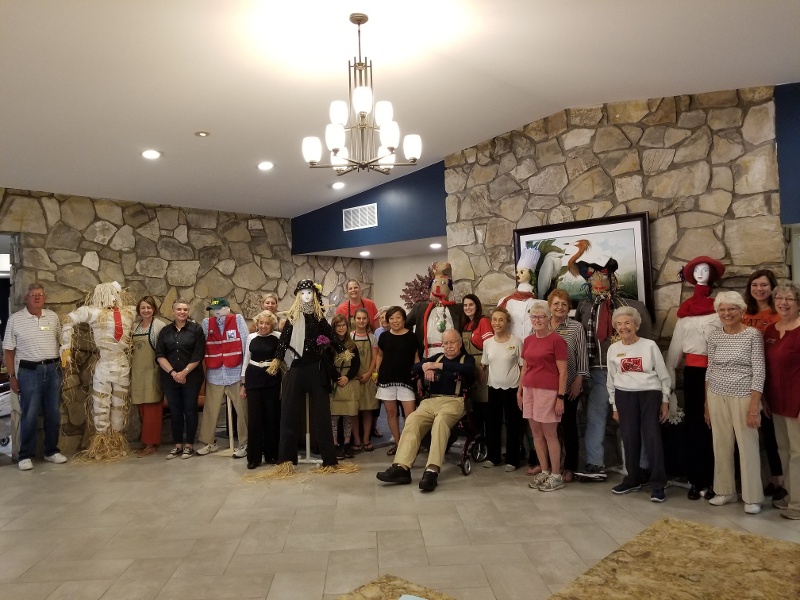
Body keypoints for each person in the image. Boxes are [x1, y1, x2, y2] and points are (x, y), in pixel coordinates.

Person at [574, 257, 653, 482]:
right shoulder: (584, 307)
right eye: (594, 278)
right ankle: (595, 464)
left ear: (612, 279)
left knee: (631, 420)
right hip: (598, 370)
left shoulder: (630, 307)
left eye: (604, 277)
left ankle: (641, 466)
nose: (599, 282)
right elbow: (580, 340)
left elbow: (647, 338)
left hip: (627, 371)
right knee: (595, 417)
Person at [376, 329, 475, 492]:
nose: (449, 346)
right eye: (446, 343)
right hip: (432, 400)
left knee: (441, 421)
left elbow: (468, 371)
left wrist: (438, 366)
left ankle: (432, 470)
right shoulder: (437, 357)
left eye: (452, 342)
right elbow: (415, 366)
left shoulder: (466, 359)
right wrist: (426, 368)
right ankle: (402, 467)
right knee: (413, 419)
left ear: (459, 343)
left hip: (454, 401)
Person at [267, 279, 347, 468]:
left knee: (322, 413)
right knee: (288, 412)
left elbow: (331, 334)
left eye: (309, 293)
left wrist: (341, 349)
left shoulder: (319, 318)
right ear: (297, 296)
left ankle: (329, 460)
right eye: (302, 293)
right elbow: (284, 341)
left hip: (316, 368)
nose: (306, 296)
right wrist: (277, 360)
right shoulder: (292, 318)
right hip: (296, 367)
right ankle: (286, 460)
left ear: (314, 294)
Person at [666, 257, 724, 499]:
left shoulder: (721, 310)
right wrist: (667, 388)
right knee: (695, 426)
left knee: (718, 426)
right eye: (697, 270)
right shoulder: (685, 314)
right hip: (693, 374)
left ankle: (717, 480)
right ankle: (696, 478)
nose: (701, 273)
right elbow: (674, 353)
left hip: (719, 373)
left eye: (706, 270)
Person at [60, 281, 137, 460]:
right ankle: (102, 444)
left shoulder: (129, 312)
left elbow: (146, 312)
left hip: (122, 363)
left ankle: (116, 442)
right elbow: (68, 320)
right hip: (104, 362)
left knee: (119, 404)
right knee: (101, 404)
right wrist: (65, 349)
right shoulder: (94, 312)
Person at [704, 291, 765, 514]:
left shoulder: (753, 335)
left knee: (747, 446)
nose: (726, 313)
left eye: (731, 309)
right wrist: (707, 404)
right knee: (720, 444)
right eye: (722, 309)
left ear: (741, 311)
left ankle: (752, 497)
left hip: (743, 396)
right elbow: (709, 370)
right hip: (716, 394)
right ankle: (725, 491)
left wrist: (754, 407)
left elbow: (759, 372)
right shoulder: (714, 336)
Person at [606, 306, 671, 502]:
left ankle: (658, 484)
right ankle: (632, 479)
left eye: (627, 322)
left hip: (649, 395)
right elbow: (611, 379)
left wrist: (665, 400)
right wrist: (614, 406)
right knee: (629, 438)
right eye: (619, 324)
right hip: (624, 396)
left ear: (636, 325)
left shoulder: (649, 345)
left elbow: (663, 375)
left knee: (652, 439)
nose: (623, 327)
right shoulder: (613, 349)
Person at [3, 283, 67, 471]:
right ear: (26, 298)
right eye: (33, 295)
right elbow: (8, 351)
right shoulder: (15, 319)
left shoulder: (52, 317)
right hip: (28, 371)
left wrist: (65, 365)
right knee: (29, 413)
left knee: (53, 412)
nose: (37, 298)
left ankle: (51, 451)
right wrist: (12, 376)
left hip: (53, 369)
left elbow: (61, 342)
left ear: (44, 298)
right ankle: (25, 455)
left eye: (40, 295)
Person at [742, 269, 785, 501]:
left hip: (773, 379)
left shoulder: (779, 314)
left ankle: (780, 481)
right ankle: (761, 481)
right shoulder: (743, 315)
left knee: (774, 435)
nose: (759, 289)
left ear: (772, 288)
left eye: (764, 285)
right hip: (746, 381)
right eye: (755, 285)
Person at [520, 301, 569, 492]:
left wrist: (560, 397)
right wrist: (520, 390)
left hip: (548, 391)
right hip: (529, 389)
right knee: (536, 433)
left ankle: (556, 475)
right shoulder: (529, 340)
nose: (537, 320)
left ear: (549, 319)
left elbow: (563, 372)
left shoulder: (557, 340)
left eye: (541, 317)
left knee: (550, 434)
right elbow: (525, 367)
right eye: (534, 317)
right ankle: (545, 470)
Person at [763, 283, 800, 520]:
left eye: (789, 299)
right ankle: (790, 495)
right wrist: (764, 398)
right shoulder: (770, 331)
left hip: (797, 403)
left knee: (798, 453)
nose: (783, 303)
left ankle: (798, 504)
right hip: (775, 402)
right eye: (779, 298)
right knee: (784, 451)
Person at [197, 297, 250, 459]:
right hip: (215, 372)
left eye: (219, 308)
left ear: (227, 308)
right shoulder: (207, 323)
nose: (216, 312)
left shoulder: (238, 319)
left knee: (242, 409)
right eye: (214, 309)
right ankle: (208, 442)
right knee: (210, 409)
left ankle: (245, 443)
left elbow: (245, 344)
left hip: (235, 371)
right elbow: (202, 344)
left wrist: (244, 374)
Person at [155, 299, 206, 459]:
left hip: (192, 378)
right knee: (175, 412)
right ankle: (177, 445)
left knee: (190, 410)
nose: (182, 312)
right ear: (173, 311)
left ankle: (189, 445)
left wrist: (183, 373)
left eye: (185, 309)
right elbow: (159, 355)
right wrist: (173, 373)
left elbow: (198, 354)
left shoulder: (196, 330)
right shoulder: (165, 331)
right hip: (170, 379)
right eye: (179, 309)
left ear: (188, 311)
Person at [548, 289, 589, 483]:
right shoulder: (542, 326)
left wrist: (578, 381)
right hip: (545, 386)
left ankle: (570, 466)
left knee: (568, 426)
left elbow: (582, 356)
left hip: (568, 384)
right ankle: (549, 465)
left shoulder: (576, 327)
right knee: (547, 428)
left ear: (569, 308)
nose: (560, 307)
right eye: (556, 303)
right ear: (550, 306)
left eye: (564, 304)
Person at [481, 307, 524, 471]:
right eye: (494, 320)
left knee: (513, 424)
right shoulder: (487, 343)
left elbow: (522, 367)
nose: (496, 323)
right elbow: (484, 365)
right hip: (493, 388)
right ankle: (494, 457)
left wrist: (521, 389)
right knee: (493, 423)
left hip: (513, 389)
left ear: (507, 323)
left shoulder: (516, 342)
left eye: (500, 320)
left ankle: (513, 459)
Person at [376, 306, 420, 455]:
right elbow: (380, 355)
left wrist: (418, 377)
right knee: (390, 412)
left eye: (398, 317)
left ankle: (411, 445)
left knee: (410, 415)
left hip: (406, 380)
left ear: (404, 319)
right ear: (388, 320)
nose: (395, 321)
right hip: (386, 379)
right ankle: (398, 443)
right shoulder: (384, 337)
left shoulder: (412, 337)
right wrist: (377, 371)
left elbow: (416, 358)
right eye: (391, 318)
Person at [241, 310, 282, 469]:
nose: (264, 326)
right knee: (255, 419)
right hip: (253, 380)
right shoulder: (251, 337)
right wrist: (243, 385)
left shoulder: (278, 337)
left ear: (271, 324)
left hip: (271, 380)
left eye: (267, 323)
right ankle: (254, 458)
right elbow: (246, 361)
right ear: (257, 323)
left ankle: (272, 454)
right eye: (261, 323)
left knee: (272, 417)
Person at [131, 296, 167, 457]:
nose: (146, 310)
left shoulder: (159, 326)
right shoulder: (134, 327)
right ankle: (147, 441)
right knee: (142, 408)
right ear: (139, 310)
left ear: (154, 309)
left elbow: (165, 350)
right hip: (137, 373)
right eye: (143, 308)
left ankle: (151, 443)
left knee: (153, 409)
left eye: (149, 308)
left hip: (153, 372)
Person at [406, 262, 464, 359]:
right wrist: (412, 343)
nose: (438, 288)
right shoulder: (420, 308)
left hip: (451, 356)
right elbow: (405, 324)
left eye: (443, 283)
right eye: (435, 283)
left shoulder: (458, 309)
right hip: (427, 355)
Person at [461, 293, 493, 439]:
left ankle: (486, 439)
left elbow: (490, 346)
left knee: (484, 404)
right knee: (474, 405)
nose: (468, 308)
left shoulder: (483, 322)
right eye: (465, 305)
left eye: (471, 305)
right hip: (471, 367)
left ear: (477, 306)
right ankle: (477, 437)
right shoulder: (466, 324)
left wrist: (482, 366)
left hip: (484, 366)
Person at [330, 314, 360, 458]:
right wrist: (337, 378)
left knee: (348, 415)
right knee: (334, 416)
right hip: (335, 383)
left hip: (348, 382)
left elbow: (356, 365)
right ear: (334, 327)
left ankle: (347, 443)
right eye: (338, 325)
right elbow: (327, 364)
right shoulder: (330, 345)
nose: (341, 328)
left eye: (344, 325)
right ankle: (335, 444)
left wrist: (347, 377)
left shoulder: (352, 345)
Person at [497, 248, 541, 340]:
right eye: (517, 272)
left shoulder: (538, 303)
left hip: (531, 347)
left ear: (531, 274)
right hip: (511, 346)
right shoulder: (505, 301)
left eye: (522, 272)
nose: (518, 275)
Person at [351, 307, 378, 452]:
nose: (361, 321)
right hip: (354, 379)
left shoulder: (372, 337)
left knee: (367, 410)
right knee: (354, 410)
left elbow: (374, 358)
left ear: (368, 320)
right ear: (354, 320)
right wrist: (353, 375)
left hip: (367, 378)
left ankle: (366, 439)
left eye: (364, 318)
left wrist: (368, 374)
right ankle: (356, 440)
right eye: (358, 318)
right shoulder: (350, 336)